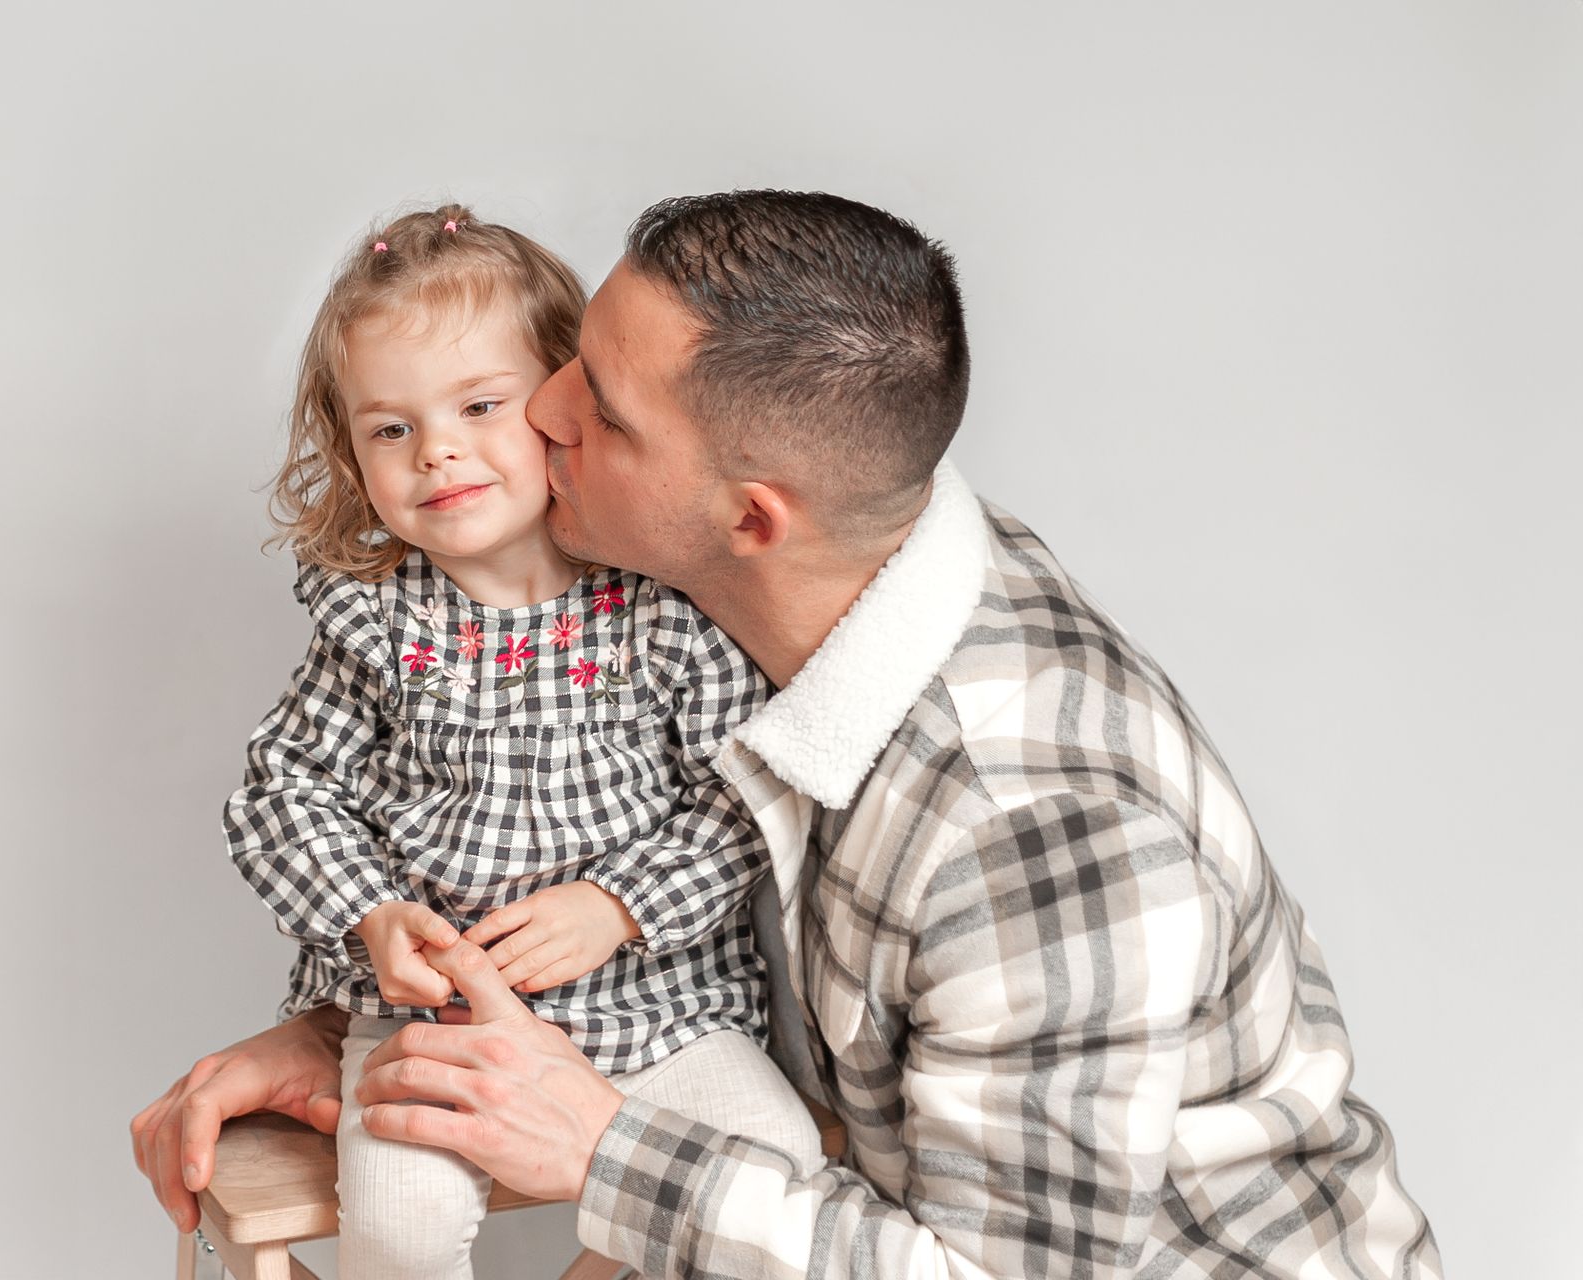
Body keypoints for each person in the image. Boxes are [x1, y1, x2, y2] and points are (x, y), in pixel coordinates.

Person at [134, 191, 1444, 1278]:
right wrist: (341, 1013)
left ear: (752, 517)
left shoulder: (1032, 827)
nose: (536, 418)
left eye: (596, 407)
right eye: (571, 362)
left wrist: (599, 1148)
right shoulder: (846, 567)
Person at [202, 203, 823, 1279]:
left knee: (773, 1162)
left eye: (479, 405)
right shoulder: (377, 622)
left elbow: (747, 793)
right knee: (395, 1229)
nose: (436, 449)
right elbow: (282, 789)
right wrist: (369, 915)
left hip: (658, 998)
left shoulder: (661, 606)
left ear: (561, 400)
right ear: (353, 452)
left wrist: (619, 904)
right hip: (439, 1019)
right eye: (390, 428)